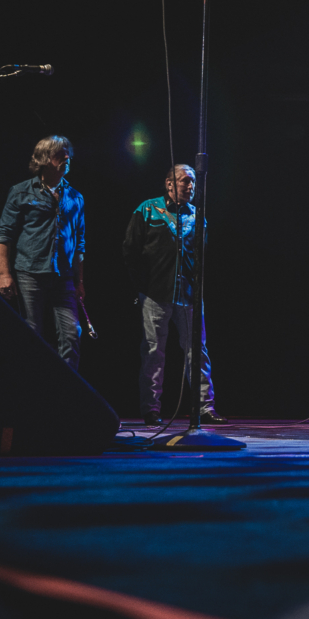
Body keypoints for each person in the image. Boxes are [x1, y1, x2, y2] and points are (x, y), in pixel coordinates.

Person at [123, 164, 223, 426]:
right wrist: (141, 285)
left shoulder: (197, 215)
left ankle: (204, 407)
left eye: (193, 182)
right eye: (184, 181)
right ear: (169, 184)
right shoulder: (147, 209)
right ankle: (151, 409)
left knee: (197, 351)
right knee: (154, 351)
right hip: (155, 293)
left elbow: (203, 256)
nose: (190, 186)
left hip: (189, 294)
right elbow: (130, 250)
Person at [0, 135, 88, 370]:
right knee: (31, 333)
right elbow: (4, 235)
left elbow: (79, 243)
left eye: (68, 153)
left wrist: (80, 281)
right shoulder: (20, 192)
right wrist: (4, 274)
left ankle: (66, 391)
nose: (67, 157)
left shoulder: (76, 197)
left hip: (64, 277)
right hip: (30, 273)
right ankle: (30, 387)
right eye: (60, 154)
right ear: (45, 159)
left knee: (72, 334)